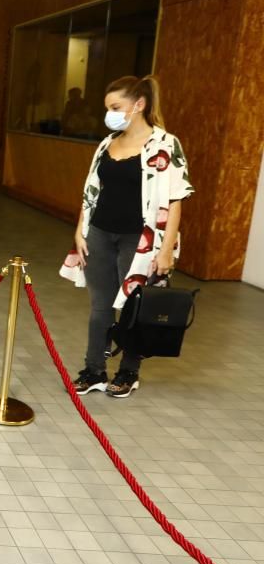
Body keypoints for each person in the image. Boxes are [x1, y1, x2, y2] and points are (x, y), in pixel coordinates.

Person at [68, 75, 193, 398]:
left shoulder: (166, 144)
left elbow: (175, 199)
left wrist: (166, 250)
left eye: (116, 107)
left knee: (134, 309)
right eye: (109, 108)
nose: (111, 114)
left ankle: (128, 373)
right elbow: (91, 191)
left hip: (140, 241)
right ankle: (93, 369)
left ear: (138, 105)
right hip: (99, 233)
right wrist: (80, 230)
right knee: (100, 307)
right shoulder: (107, 143)